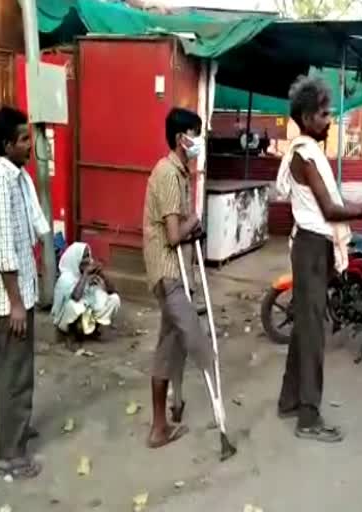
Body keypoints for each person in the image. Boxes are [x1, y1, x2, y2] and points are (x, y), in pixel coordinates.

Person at [275, 76, 362, 442]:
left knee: (305, 326)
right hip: (312, 247)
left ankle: (289, 400)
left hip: (315, 247)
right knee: (313, 333)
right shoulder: (305, 153)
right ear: (308, 117)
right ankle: (308, 417)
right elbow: (330, 208)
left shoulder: (309, 150)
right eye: (325, 114)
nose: (330, 120)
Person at [0, 106, 50, 479]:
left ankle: (17, 428)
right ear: (6, 144)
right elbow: (4, 247)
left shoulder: (15, 175)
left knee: (20, 369)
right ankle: (10, 454)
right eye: (23, 139)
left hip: (21, 291)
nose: (29, 145)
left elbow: (31, 231)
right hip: (11, 299)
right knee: (14, 373)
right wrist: (16, 302)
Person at [142, 107, 212, 448]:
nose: (198, 141)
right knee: (195, 341)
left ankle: (167, 415)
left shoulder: (180, 172)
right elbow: (172, 234)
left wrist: (191, 229)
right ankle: (170, 418)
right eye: (194, 134)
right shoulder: (168, 174)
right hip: (168, 273)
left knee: (170, 345)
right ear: (180, 138)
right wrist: (193, 223)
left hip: (174, 273)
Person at [52, 242, 120, 349]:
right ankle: (71, 335)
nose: (88, 260)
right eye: (84, 257)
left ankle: (93, 330)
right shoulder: (66, 277)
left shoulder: (89, 270)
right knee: (74, 306)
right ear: (76, 258)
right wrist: (85, 275)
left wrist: (101, 274)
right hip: (67, 314)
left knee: (114, 299)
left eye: (88, 255)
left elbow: (114, 291)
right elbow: (76, 297)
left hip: (87, 307)